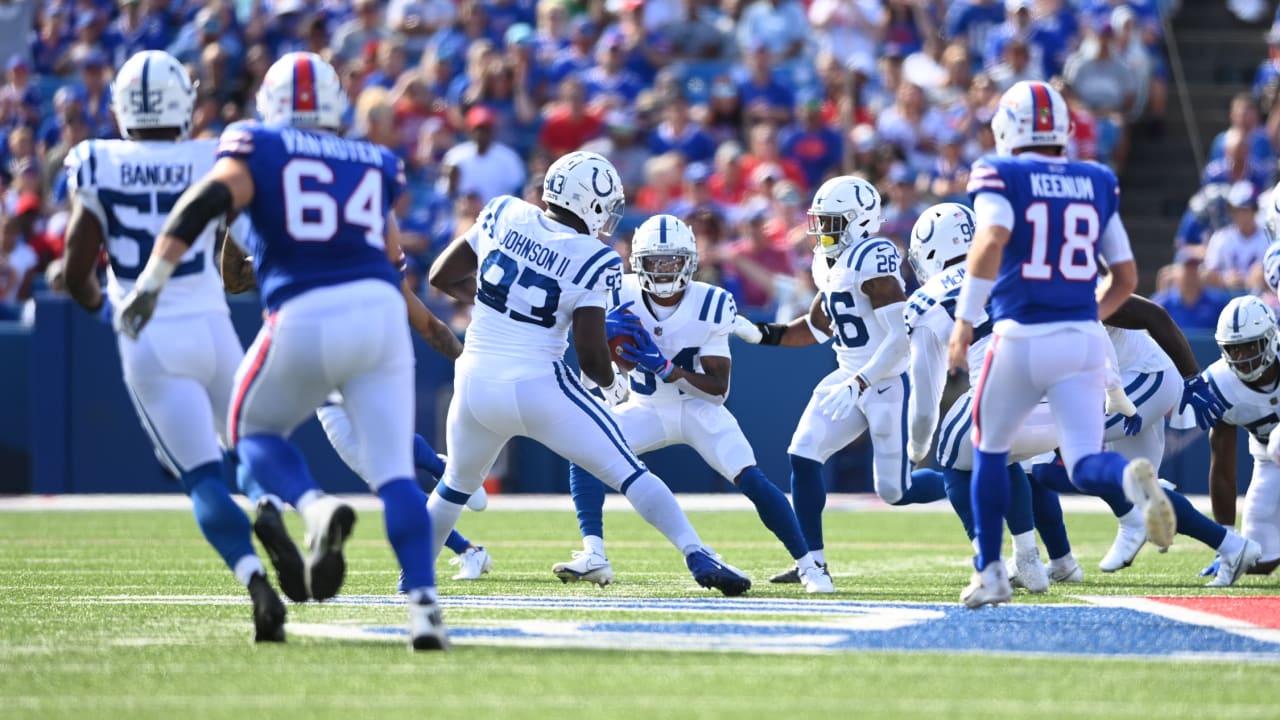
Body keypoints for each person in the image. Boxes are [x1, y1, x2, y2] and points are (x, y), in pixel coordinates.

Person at [115, 52, 448, 651]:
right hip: (380, 317)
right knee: (396, 472)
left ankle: (314, 507)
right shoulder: (377, 161)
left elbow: (206, 203)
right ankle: (424, 610)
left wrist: (153, 279)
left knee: (251, 432)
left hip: (305, 309)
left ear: (269, 103)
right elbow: (391, 254)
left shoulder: (258, 144)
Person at [426, 151, 752, 596]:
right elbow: (590, 352)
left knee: (454, 486)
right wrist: (610, 383)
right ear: (589, 202)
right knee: (629, 472)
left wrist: (499, 305)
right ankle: (696, 552)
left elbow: (441, 276)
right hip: (540, 385)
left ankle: (414, 575)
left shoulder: (505, 210)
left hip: (475, 384)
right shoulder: (595, 257)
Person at [58, 51, 287, 642]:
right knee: (246, 444)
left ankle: (255, 580)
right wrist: (239, 269)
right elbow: (235, 258)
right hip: (213, 326)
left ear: (120, 106)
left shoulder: (94, 160)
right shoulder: (213, 154)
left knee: (201, 475)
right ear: (185, 103)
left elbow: (77, 267)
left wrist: (93, 298)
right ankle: (267, 504)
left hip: (150, 340)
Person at [946, 80, 1169, 608]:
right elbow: (1126, 277)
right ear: (1063, 130)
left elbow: (992, 237)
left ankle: (992, 573)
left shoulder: (1001, 171)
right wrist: (1080, 315)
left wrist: (963, 319)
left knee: (989, 450)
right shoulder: (1095, 178)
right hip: (1084, 339)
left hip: (1021, 335)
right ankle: (1130, 479)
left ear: (1007, 127)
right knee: (1087, 460)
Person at [553, 215, 829, 593]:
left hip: (699, 410)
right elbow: (589, 349)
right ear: (638, 262)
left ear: (690, 262)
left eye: (672, 261)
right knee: (585, 448)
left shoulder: (712, 302)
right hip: (645, 407)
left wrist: (667, 369)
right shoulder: (616, 292)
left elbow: (718, 391)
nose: (664, 270)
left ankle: (810, 566)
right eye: (655, 261)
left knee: (751, 479)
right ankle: (594, 553)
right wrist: (612, 381)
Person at [734, 175, 944, 588]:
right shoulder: (827, 261)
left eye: (831, 221)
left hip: (886, 380)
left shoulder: (874, 255)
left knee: (895, 491)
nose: (821, 230)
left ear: (860, 221)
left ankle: (967, 484)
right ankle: (813, 562)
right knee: (803, 453)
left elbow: (900, 341)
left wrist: (862, 381)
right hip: (848, 374)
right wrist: (762, 334)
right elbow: (816, 327)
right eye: (820, 221)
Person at [1203, 297, 1276, 581]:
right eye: (1234, 348)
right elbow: (1222, 468)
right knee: (1256, 561)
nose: (1243, 356)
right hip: (1269, 458)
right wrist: (1227, 542)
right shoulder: (1220, 384)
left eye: (1250, 346)